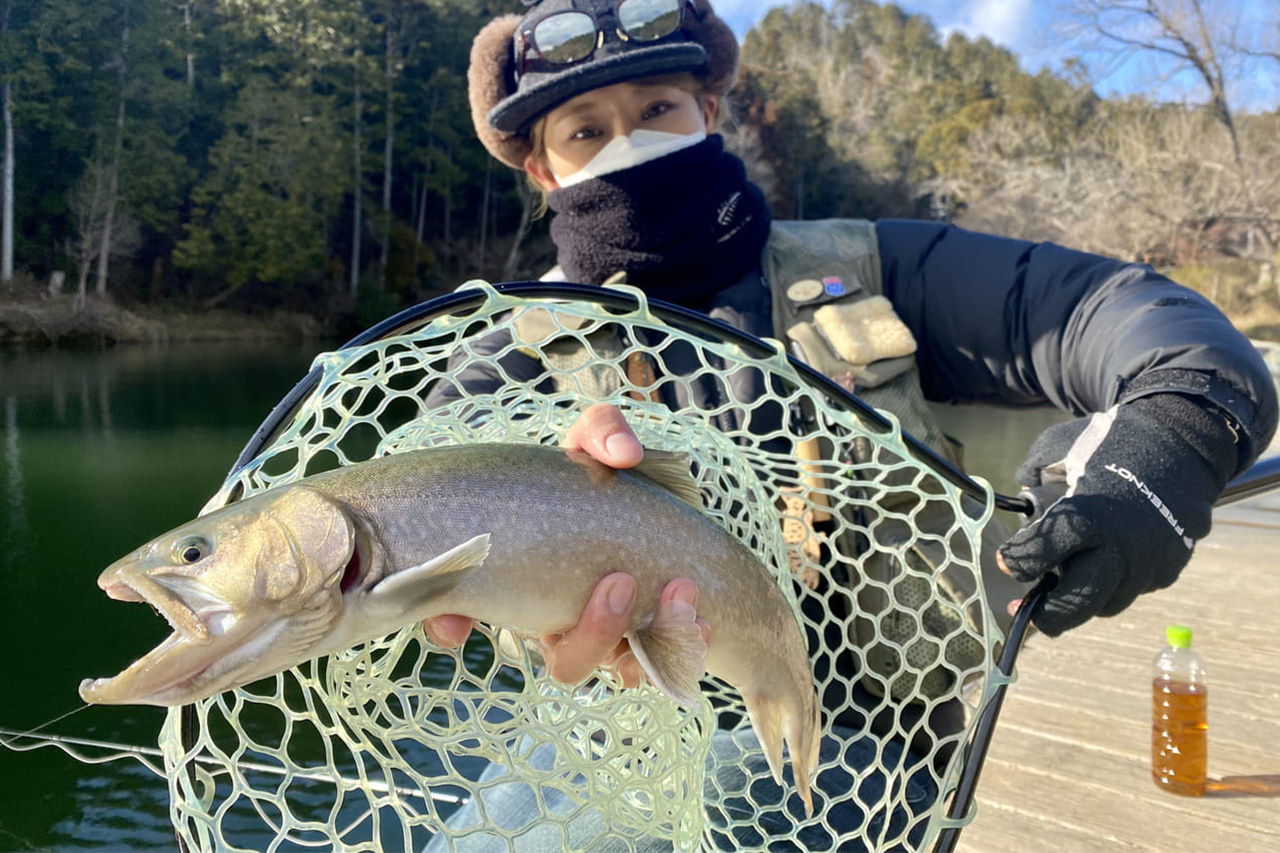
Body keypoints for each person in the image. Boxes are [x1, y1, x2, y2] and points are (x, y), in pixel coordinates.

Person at [420, 0, 1279, 849]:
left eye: (655, 109)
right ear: (540, 170)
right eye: (585, 131)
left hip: (870, 737)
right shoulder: (510, 356)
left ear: (708, 112)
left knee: (729, 798)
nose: (629, 142)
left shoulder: (880, 269)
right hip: (607, 735)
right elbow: (425, 503)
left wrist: (1163, 443)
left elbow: (1135, 317)